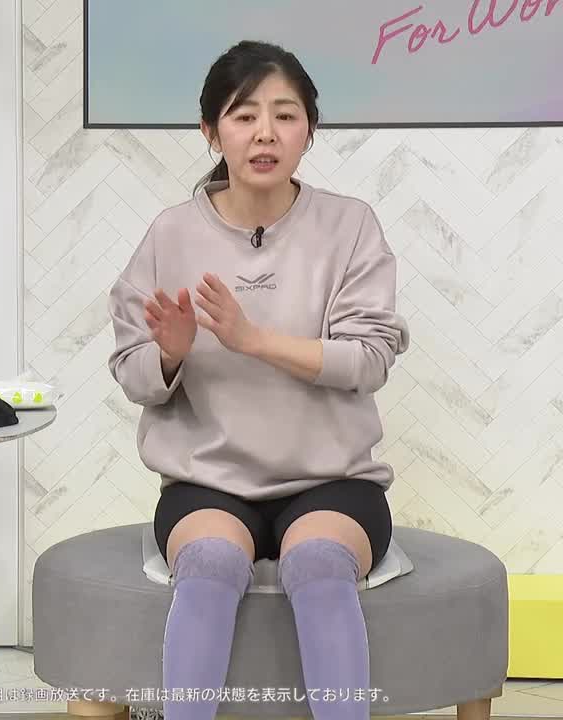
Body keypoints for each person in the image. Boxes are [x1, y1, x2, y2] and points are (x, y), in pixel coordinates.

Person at [107, 40, 410, 720]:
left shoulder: (349, 225)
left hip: (333, 480)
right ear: (212, 132)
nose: (265, 133)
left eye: (286, 115)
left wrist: (254, 340)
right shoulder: (170, 234)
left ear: (309, 130)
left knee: (320, 566)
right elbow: (133, 373)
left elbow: (368, 360)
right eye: (244, 117)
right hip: (208, 482)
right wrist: (171, 356)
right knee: (210, 564)